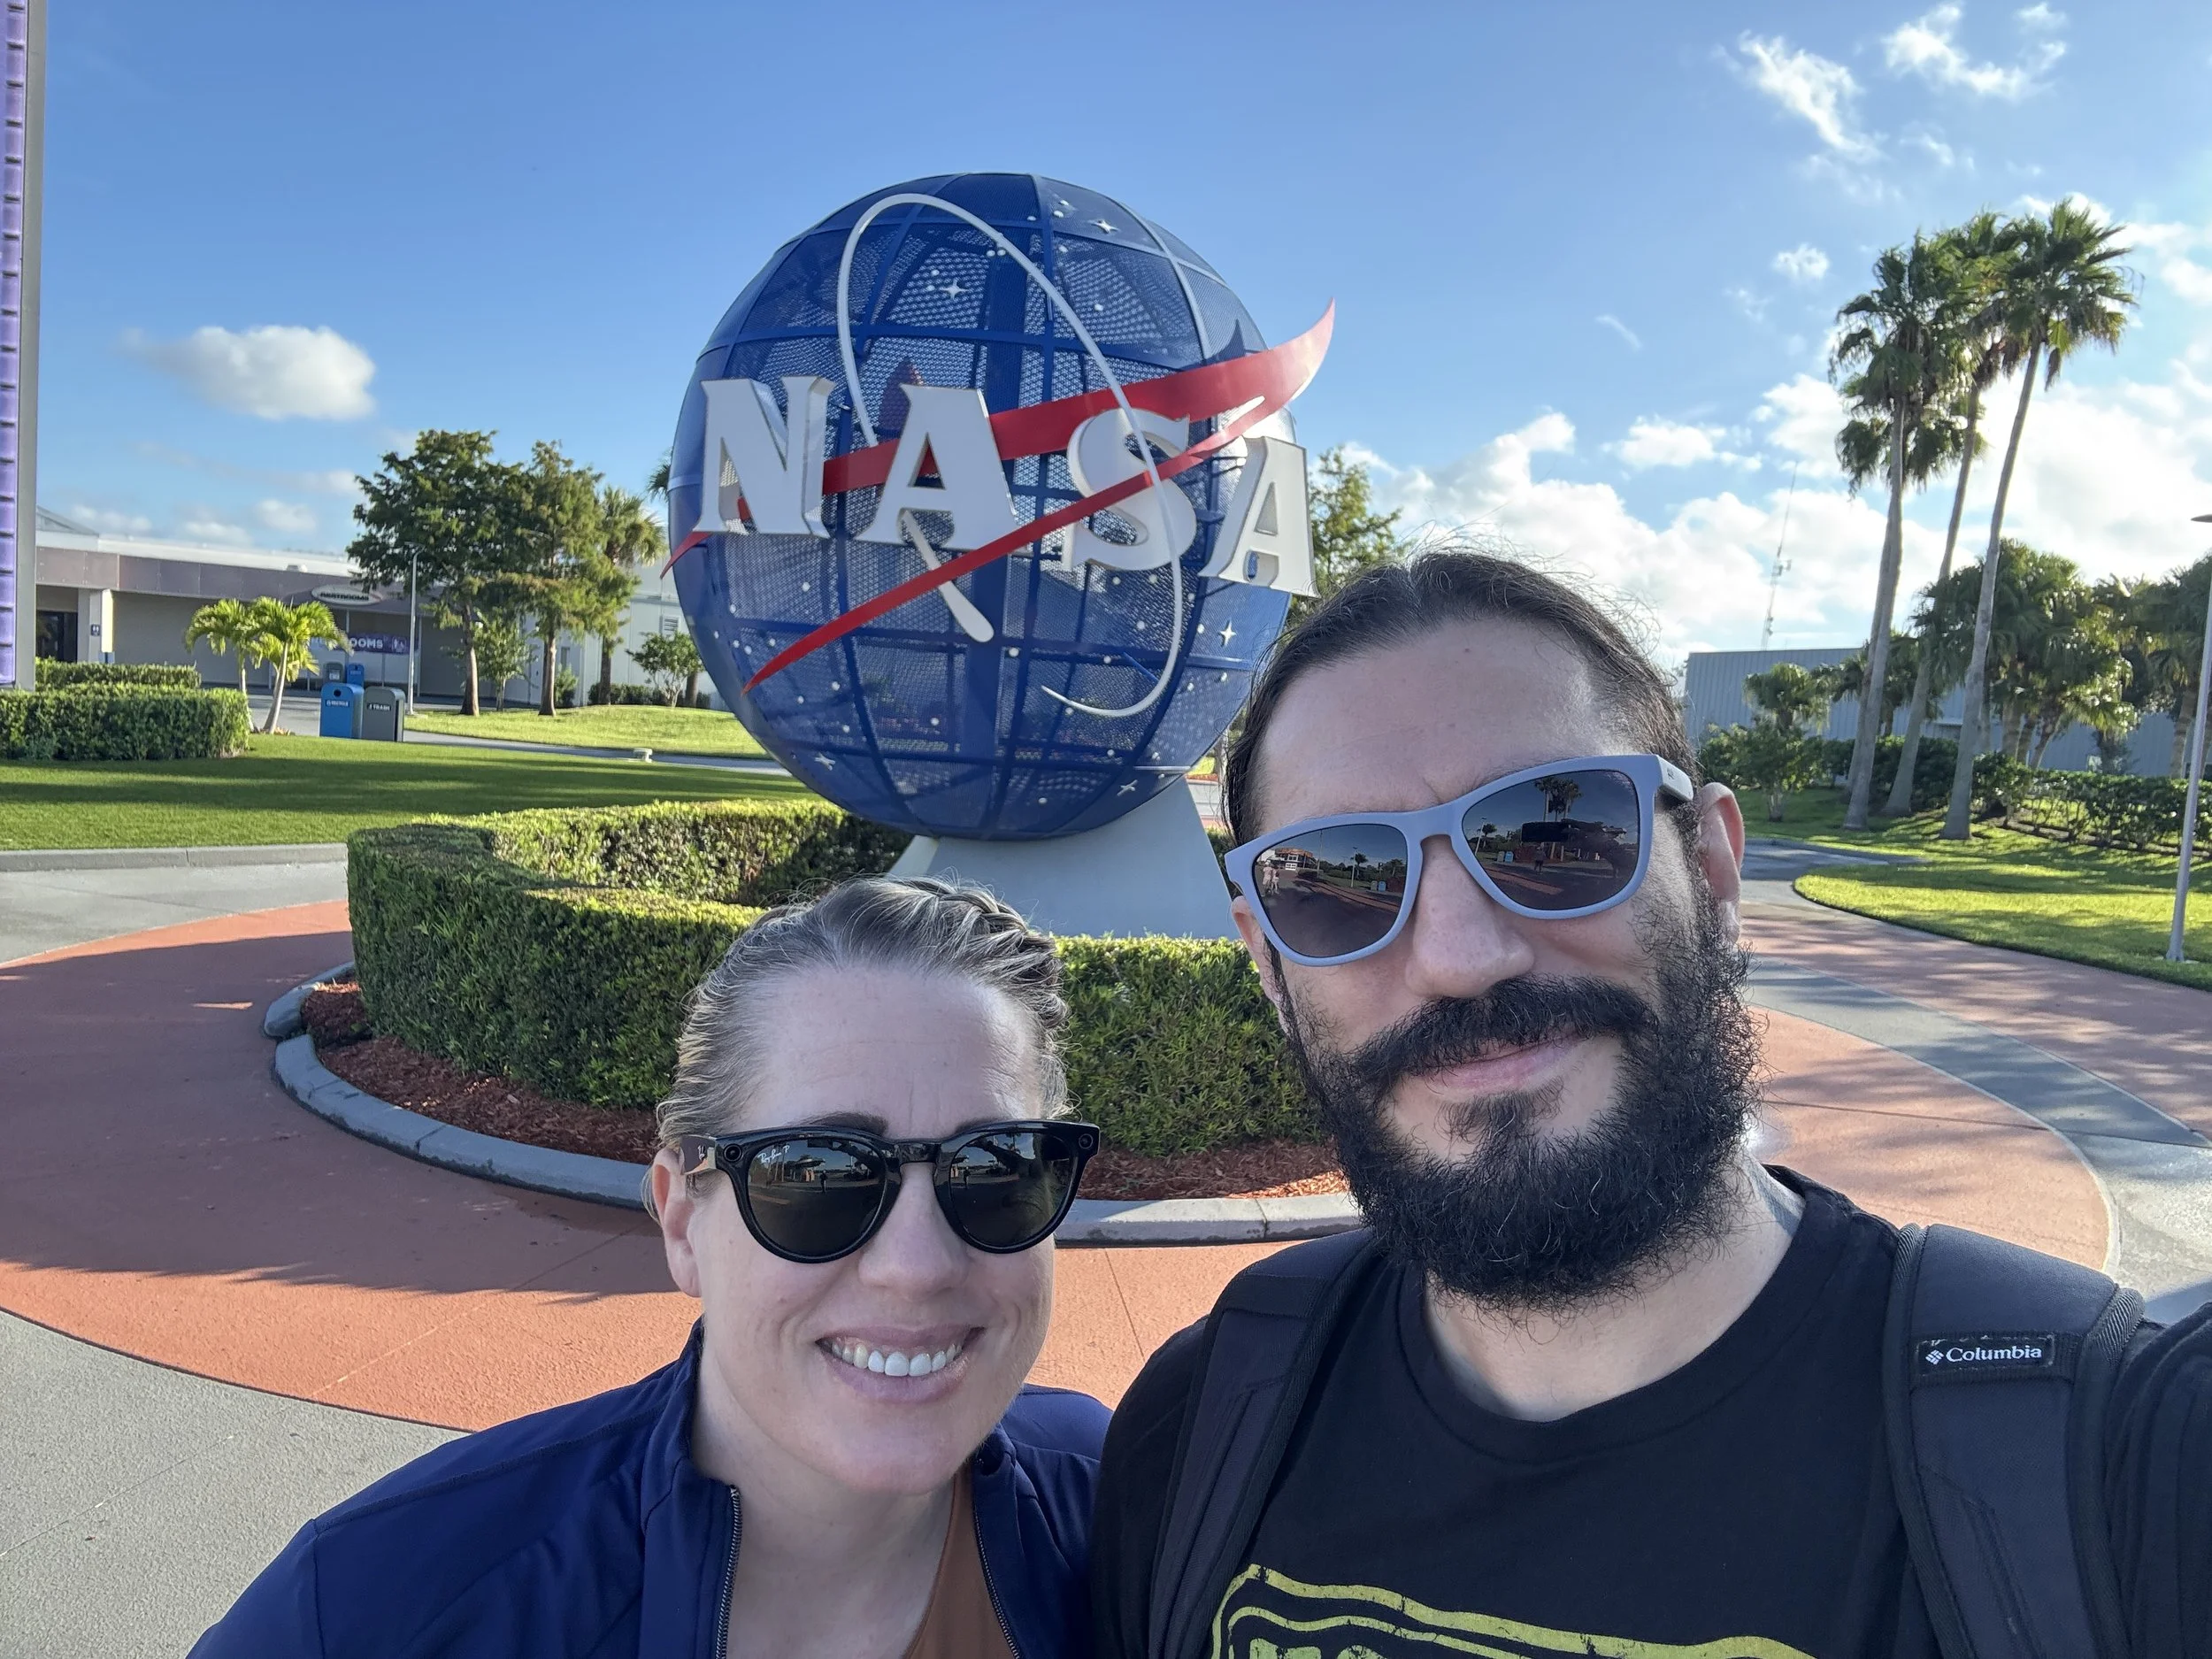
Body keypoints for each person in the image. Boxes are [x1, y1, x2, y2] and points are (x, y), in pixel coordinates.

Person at [1093, 549, 2212, 1659]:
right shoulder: (1202, 1419)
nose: (1461, 957)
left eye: (1553, 828)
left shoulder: (2119, 1457)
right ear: (1268, 965)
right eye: (1336, 881)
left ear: (1715, 872)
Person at [196, 876, 1108, 1659]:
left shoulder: (1128, 1510)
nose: (916, 1266)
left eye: (997, 1168)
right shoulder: (375, 1610)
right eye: (816, 1174)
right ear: (680, 1221)